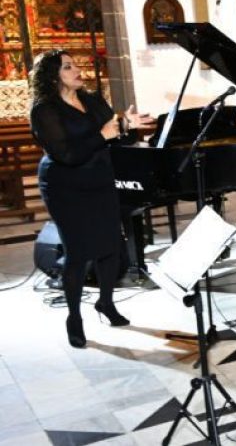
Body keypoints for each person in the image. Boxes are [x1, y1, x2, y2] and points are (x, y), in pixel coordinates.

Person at [30, 49, 152, 348]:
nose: (77, 70)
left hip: (99, 179)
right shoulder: (45, 110)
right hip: (65, 186)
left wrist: (126, 126)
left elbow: (112, 137)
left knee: (110, 246)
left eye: (75, 65)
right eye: (68, 67)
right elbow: (67, 154)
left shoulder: (92, 99)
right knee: (78, 252)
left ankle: (106, 303)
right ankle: (74, 317)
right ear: (52, 75)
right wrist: (104, 134)